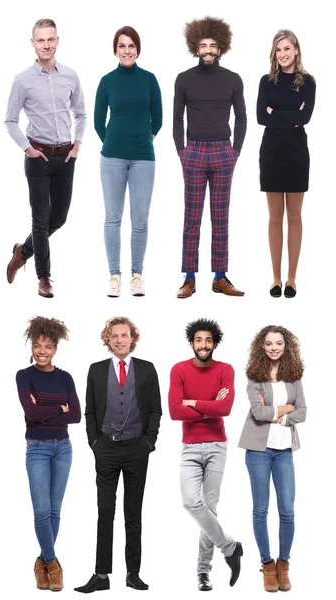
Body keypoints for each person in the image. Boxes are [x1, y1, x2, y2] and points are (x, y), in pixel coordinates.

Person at [75, 317, 162, 593]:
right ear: (108, 339)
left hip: (138, 448)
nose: (120, 340)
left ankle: (133, 573)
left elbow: (155, 410)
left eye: (125, 335)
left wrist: (149, 442)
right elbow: (90, 411)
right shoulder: (96, 370)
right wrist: (94, 443)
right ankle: (101, 575)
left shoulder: (147, 370)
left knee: (133, 513)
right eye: (115, 336)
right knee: (105, 511)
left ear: (132, 338)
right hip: (106, 449)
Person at [5, 18, 87, 298]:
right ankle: (44, 278)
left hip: (65, 157)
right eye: (41, 40)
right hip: (37, 157)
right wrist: (27, 148)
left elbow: (81, 113)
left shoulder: (71, 76)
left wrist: (77, 144)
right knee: (40, 220)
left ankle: (22, 252)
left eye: (50, 39)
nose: (46, 45)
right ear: (33, 43)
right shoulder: (22, 80)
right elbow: (10, 121)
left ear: (57, 41)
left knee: (59, 218)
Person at [173, 17, 247, 299]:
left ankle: (220, 276)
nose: (207, 50)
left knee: (221, 217)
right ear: (196, 47)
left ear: (220, 48)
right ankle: (189, 277)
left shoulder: (232, 79)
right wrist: (181, 151)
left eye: (212, 45)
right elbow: (177, 118)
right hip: (193, 152)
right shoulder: (184, 79)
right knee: (191, 217)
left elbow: (241, 116)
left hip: (222, 152)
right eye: (203, 45)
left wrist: (235, 150)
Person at [168, 318, 243, 591]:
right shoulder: (179, 370)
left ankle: (203, 572)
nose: (203, 344)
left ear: (214, 344)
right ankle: (230, 547)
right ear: (192, 343)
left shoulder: (225, 370)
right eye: (199, 340)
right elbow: (175, 411)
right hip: (189, 447)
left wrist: (193, 402)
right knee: (191, 503)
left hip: (216, 446)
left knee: (209, 509)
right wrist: (210, 406)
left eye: (208, 340)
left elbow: (226, 409)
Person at [94, 26, 162, 298]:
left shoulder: (149, 79)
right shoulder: (107, 81)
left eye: (131, 45)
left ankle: (137, 275)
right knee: (112, 218)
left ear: (138, 49)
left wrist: (145, 139)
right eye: (122, 46)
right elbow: (99, 121)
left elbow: (157, 116)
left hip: (144, 158)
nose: (127, 50)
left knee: (141, 220)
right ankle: (114, 276)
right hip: (111, 157)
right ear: (115, 50)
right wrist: (113, 142)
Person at [238, 325, 307, 592]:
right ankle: (267, 565)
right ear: (261, 346)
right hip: (258, 451)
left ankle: (283, 565)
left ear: (286, 346)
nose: (274, 347)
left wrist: (283, 414)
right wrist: (285, 408)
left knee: (287, 511)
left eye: (278, 343)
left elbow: (303, 412)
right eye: (269, 343)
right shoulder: (254, 376)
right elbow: (257, 413)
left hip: (284, 452)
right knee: (260, 510)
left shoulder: (294, 377)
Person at [16, 316, 81, 591]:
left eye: (48, 346)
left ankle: (41, 562)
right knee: (41, 510)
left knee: (55, 508)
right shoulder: (24, 375)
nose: (42, 351)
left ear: (55, 348)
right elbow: (30, 413)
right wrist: (59, 410)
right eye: (37, 345)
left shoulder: (65, 377)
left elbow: (76, 415)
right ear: (32, 346)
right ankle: (53, 564)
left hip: (63, 447)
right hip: (38, 449)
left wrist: (47, 411)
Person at [257, 30, 316, 298]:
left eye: (287, 48)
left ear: (296, 51)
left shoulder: (309, 83)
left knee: (294, 216)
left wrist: (275, 113)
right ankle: (275, 278)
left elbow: (304, 118)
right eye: (278, 49)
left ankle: (292, 279)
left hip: (296, 150)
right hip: (270, 150)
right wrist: (288, 115)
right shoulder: (266, 81)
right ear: (274, 52)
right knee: (274, 217)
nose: (283, 54)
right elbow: (260, 116)